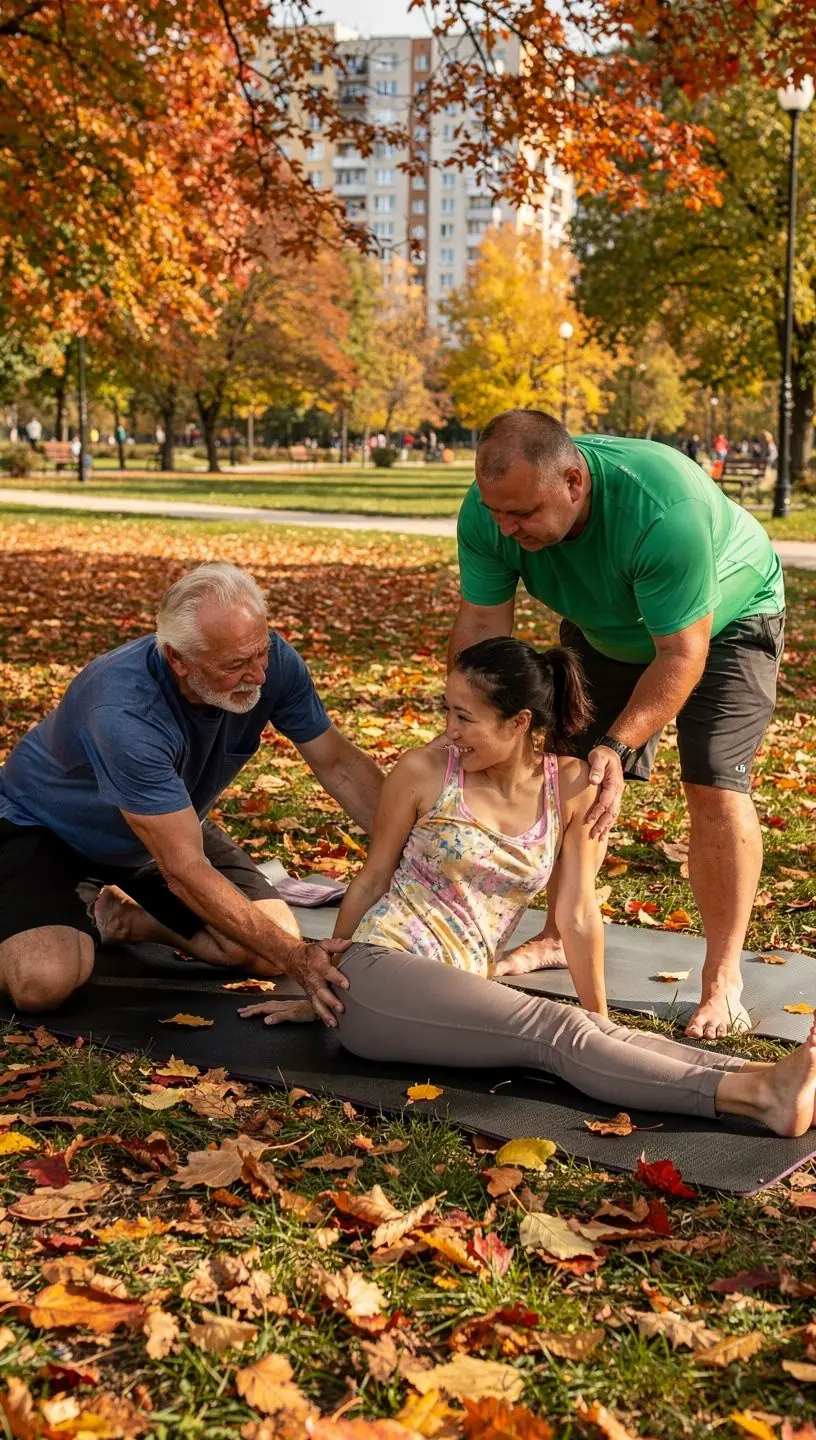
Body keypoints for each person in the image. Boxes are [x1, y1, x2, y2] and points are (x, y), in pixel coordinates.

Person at [240, 637, 816, 1142]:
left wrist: (603, 1019)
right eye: (448, 711)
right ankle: (756, 1100)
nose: (449, 730)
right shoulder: (424, 771)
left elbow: (579, 914)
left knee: (583, 1026)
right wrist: (322, 987)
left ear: (518, 723)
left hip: (460, 986)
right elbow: (370, 879)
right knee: (554, 1030)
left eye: (465, 718)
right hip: (376, 970)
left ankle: (759, 1077)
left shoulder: (568, 786)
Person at [447, 410, 786, 1041]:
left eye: (522, 515)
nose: (507, 529)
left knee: (714, 783)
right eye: (497, 513)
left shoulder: (661, 510)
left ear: (574, 482)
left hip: (727, 623)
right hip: (603, 626)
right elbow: (482, 626)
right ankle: (556, 934)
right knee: (569, 777)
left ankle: (723, 979)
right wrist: (463, 720)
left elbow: (682, 654)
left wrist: (618, 744)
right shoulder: (491, 513)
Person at [0, 563, 383, 1018]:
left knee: (266, 948)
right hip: (43, 829)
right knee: (42, 982)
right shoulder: (123, 708)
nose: (258, 674)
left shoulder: (271, 661)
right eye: (236, 665)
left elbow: (339, 765)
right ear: (177, 658)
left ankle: (122, 917)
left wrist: (420, 847)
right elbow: (182, 867)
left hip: (161, 826)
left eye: (260, 652)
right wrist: (299, 960)